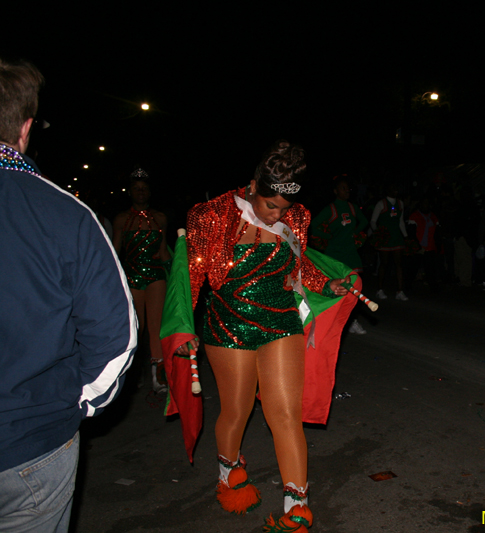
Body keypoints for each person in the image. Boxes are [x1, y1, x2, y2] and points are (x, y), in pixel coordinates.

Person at [180, 141, 349, 531]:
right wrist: (183, 325)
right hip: (229, 323)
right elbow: (192, 274)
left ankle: (297, 505)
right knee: (236, 411)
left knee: (286, 414)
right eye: (271, 206)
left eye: (283, 209)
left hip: (281, 319)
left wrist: (328, 284)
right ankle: (230, 474)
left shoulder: (299, 217)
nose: (277, 216)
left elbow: (300, 266)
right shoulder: (210, 214)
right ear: (254, 186)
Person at [0, 57, 137, 533]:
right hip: (31, 445)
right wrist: (69, 404)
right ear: (26, 129)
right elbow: (115, 335)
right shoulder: (65, 213)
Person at [113, 169, 171, 392]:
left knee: (157, 326)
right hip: (132, 275)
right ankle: (133, 373)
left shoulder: (160, 218)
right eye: (136, 188)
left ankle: (158, 375)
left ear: (150, 192)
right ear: (130, 192)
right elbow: (116, 252)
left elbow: (163, 251)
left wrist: (177, 275)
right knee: (135, 327)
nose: (140, 192)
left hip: (156, 276)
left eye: (144, 189)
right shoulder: (121, 219)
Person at [311, 176, 368, 334]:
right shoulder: (331, 209)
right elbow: (313, 226)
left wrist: (355, 233)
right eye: (343, 188)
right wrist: (328, 237)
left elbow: (364, 221)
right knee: (338, 289)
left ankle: (352, 320)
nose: (347, 191)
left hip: (351, 253)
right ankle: (332, 320)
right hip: (334, 255)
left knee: (355, 285)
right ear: (336, 191)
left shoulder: (352, 207)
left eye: (347, 188)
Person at [371, 183, 409, 300]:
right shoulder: (381, 203)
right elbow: (373, 221)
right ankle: (380, 289)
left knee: (399, 264)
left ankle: (400, 291)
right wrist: (378, 234)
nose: (395, 190)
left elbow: (400, 221)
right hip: (385, 238)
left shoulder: (400, 203)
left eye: (396, 188)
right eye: (393, 188)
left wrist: (406, 236)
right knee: (384, 263)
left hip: (396, 237)